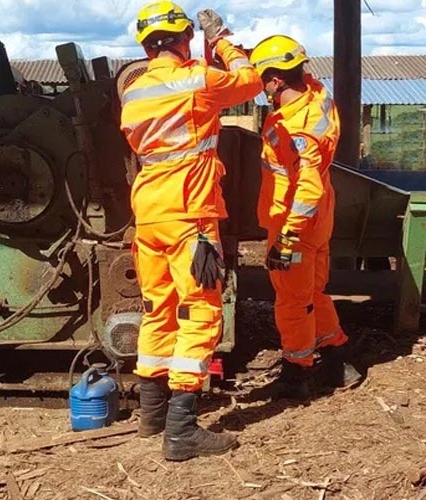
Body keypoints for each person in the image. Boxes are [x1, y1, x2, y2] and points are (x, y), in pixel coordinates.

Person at [119, 2, 262, 461]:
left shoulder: (134, 93)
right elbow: (251, 81)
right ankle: (181, 432)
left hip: (149, 213)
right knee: (201, 312)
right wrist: (222, 41)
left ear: (145, 45)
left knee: (157, 308)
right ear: (184, 39)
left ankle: (152, 416)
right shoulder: (198, 80)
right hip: (189, 215)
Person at [248, 35, 361, 400]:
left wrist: (287, 238)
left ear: (277, 81)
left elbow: (307, 189)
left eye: (263, 79)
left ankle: (297, 372)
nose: (260, 87)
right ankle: (337, 359)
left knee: (292, 301)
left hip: (295, 223)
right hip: (318, 219)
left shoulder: (299, 130)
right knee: (313, 291)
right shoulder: (315, 93)